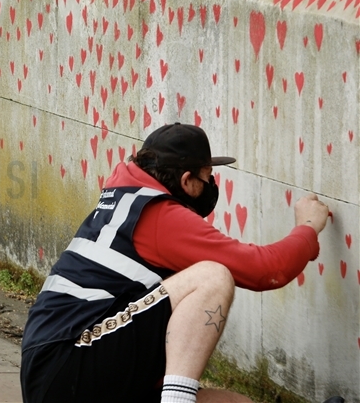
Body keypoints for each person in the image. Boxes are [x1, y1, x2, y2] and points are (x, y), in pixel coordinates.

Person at [21, 123, 332, 403]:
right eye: (207, 177)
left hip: (66, 370)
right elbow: (266, 270)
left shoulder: (125, 200)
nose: (211, 187)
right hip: (70, 363)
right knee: (212, 278)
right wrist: (307, 227)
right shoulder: (157, 215)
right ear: (187, 180)